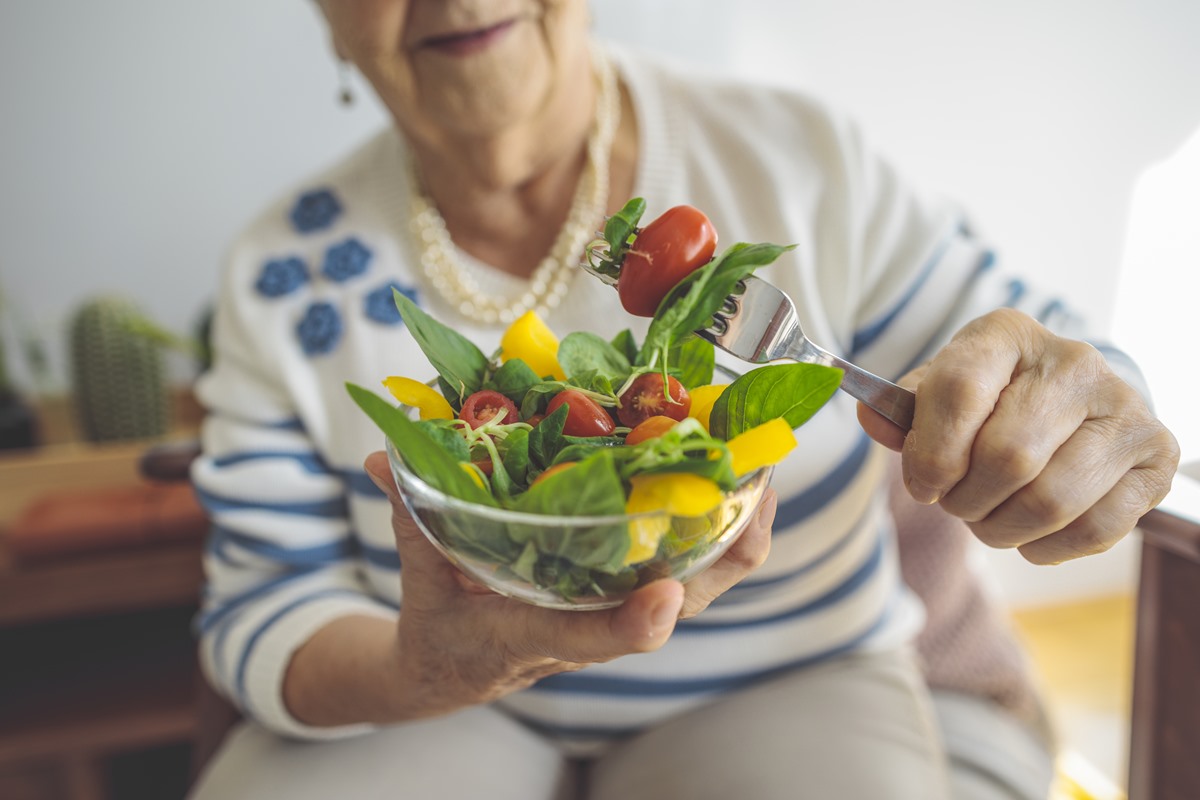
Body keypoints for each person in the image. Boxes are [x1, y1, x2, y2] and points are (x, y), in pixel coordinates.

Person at [186, 2, 1179, 798]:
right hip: (431, 705)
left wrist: (1090, 408)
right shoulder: (281, 271)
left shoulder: (794, 155)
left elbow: (1038, 347)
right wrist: (429, 668)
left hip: (794, 679)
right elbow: (264, 609)